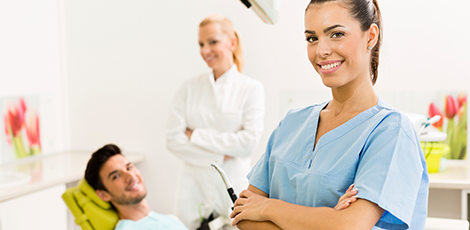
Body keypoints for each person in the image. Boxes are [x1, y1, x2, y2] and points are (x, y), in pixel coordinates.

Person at [229, 0, 429, 230]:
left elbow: (348, 226)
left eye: (336, 34)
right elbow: (242, 215)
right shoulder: (292, 123)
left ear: (371, 37)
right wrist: (326, 220)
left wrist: (268, 208)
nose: (321, 51)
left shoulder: (391, 131)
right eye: (312, 38)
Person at [165, 14, 265, 230]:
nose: (205, 50)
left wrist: (196, 135)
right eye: (201, 44)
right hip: (193, 192)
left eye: (212, 42)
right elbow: (173, 140)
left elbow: (247, 143)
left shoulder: (251, 89)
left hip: (233, 190)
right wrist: (220, 156)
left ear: (232, 42)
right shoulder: (189, 88)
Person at [84, 144, 189, 230]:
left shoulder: (171, 219)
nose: (130, 176)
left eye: (129, 167)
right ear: (103, 194)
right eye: (116, 176)